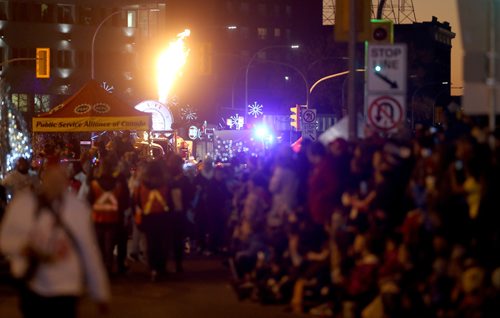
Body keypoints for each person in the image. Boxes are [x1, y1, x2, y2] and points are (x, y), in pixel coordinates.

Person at [0, 159, 110, 318]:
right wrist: (24, 248)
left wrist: (100, 292)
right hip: (34, 284)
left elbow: (88, 251)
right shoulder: (25, 205)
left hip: (66, 288)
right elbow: (5, 240)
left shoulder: (76, 210)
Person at [88, 154, 130, 275]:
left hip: (98, 218)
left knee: (100, 245)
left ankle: (103, 268)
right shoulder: (120, 180)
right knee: (118, 243)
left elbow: (89, 200)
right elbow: (125, 199)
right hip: (116, 218)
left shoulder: (95, 182)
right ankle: (119, 266)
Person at [134, 160, 171, 281]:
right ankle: (161, 267)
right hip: (162, 217)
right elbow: (170, 201)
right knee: (162, 244)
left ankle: (152, 268)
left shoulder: (142, 185)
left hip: (148, 218)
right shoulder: (165, 184)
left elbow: (136, 201)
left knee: (150, 244)